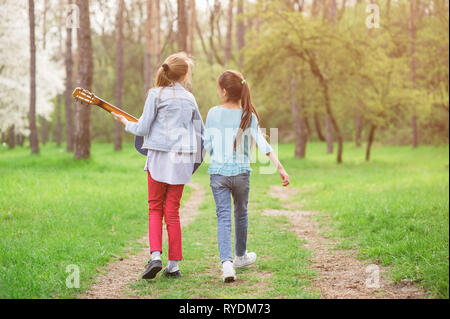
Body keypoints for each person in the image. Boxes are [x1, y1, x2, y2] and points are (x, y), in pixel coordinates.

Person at [112, 52, 204, 279]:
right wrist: (196, 158)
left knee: (155, 207)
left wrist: (126, 123)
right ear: (184, 75)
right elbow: (200, 131)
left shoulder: (155, 95)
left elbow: (142, 129)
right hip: (182, 160)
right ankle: (173, 266)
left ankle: (155, 256)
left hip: (159, 158)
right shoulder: (190, 99)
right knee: (172, 212)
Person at [204, 70, 290, 282]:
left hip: (218, 174)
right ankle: (240, 257)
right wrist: (279, 167)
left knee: (223, 217)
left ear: (224, 91)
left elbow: (205, 145)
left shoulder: (213, 113)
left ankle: (227, 265)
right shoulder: (248, 115)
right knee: (241, 213)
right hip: (241, 174)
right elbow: (263, 144)